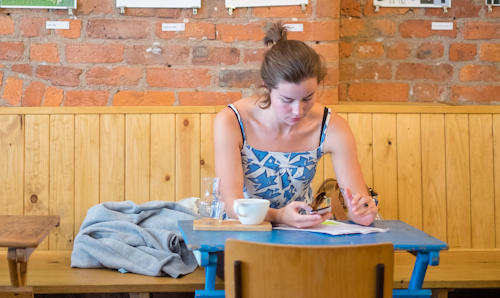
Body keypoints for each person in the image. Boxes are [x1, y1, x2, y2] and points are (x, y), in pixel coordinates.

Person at [214, 22, 378, 229]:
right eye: (287, 100)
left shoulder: (332, 126)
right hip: (239, 231)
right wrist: (280, 216)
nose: (298, 111)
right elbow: (232, 205)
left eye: (307, 98)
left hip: (299, 232)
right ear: (267, 87)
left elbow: (357, 199)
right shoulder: (231, 121)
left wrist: (362, 212)